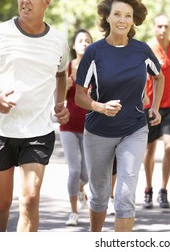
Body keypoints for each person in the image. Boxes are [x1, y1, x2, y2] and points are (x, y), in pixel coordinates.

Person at [0, 0, 69, 232]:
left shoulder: (58, 40)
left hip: (37, 132)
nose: (25, 1)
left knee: (29, 200)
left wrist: (60, 103)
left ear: (46, 1)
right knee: (1, 204)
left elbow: (62, 74)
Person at [74, 0, 165, 232]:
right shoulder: (94, 52)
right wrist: (99, 107)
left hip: (133, 128)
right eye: (117, 14)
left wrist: (154, 107)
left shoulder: (142, 50)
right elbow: (79, 95)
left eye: (128, 15)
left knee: (125, 194)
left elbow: (159, 77)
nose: (122, 20)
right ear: (107, 18)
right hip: (98, 131)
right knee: (100, 192)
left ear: (134, 20)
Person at [142, 13, 170, 209]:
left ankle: (163, 190)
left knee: (169, 146)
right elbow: (138, 73)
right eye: (159, 26)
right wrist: (142, 93)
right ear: (153, 28)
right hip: (150, 105)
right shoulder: (147, 49)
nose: (162, 30)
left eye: (166, 26)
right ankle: (148, 188)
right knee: (150, 148)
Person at [59, 29, 93, 226]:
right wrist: (66, 85)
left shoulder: (95, 67)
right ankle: (73, 212)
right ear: (74, 45)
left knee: (87, 174)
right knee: (74, 170)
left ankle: (81, 189)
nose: (84, 43)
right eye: (80, 40)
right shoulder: (67, 67)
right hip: (69, 125)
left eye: (88, 40)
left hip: (89, 126)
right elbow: (60, 97)